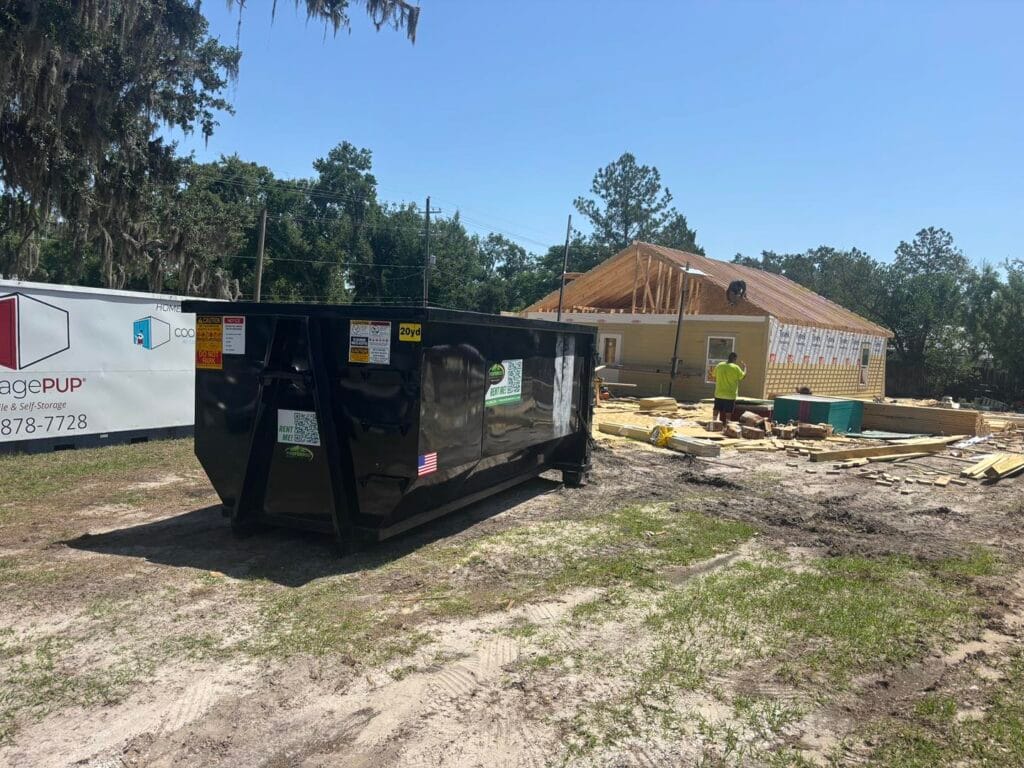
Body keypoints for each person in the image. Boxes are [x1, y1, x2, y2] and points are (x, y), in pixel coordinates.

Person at [712, 352, 747, 424]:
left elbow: (713, 375)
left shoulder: (719, 365)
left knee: (716, 408)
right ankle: (727, 424)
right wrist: (745, 368)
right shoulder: (736, 367)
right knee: (728, 411)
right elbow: (742, 377)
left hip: (719, 393)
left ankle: (714, 422)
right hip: (730, 395)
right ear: (735, 359)